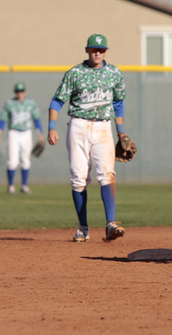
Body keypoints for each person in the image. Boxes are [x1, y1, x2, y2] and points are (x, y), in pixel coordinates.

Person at [47, 33, 127, 243]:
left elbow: (118, 103)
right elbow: (57, 101)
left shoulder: (114, 73)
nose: (97, 53)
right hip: (78, 125)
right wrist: (51, 128)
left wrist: (121, 131)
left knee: (107, 174)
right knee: (79, 177)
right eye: (94, 49)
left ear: (106, 52)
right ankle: (83, 227)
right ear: (87, 50)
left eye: (101, 50)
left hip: (103, 127)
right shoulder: (74, 73)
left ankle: (111, 224)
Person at [0, 82, 44, 194]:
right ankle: (11, 186)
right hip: (13, 133)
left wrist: (40, 134)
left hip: (26, 133)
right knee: (12, 161)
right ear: (15, 92)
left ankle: (24, 186)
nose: (20, 93)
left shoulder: (31, 103)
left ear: (25, 92)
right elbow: (2, 120)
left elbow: (36, 119)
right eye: (18, 91)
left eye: (21, 91)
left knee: (26, 161)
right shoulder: (9, 103)